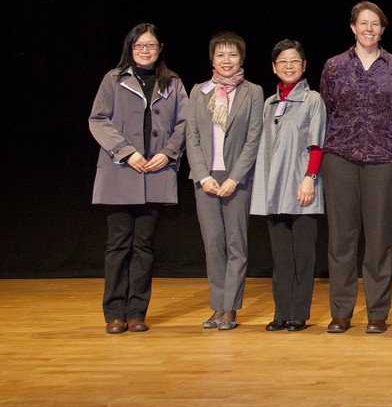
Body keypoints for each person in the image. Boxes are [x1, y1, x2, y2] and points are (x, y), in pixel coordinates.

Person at [89, 23, 187, 334]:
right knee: (118, 244)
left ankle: (137, 312)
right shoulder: (114, 79)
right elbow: (98, 119)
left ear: (160, 49)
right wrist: (126, 151)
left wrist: (169, 152)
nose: (145, 50)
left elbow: (185, 123)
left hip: (155, 172)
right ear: (130, 49)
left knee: (144, 246)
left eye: (151, 45)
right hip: (122, 171)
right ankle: (115, 312)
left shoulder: (172, 82)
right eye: (138, 46)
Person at [319, 1, 392, 334]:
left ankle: (376, 313)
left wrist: (377, 136)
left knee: (380, 239)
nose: (369, 29)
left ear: (382, 29)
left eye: (375, 24)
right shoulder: (334, 66)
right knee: (341, 239)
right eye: (363, 23)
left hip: (384, 160)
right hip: (340, 158)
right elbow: (327, 108)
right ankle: (341, 312)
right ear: (353, 27)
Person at [185, 31, 264, 331]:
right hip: (205, 178)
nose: (227, 60)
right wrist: (203, 176)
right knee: (213, 244)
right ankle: (217, 306)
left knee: (236, 244)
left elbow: (254, 137)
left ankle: (231, 307)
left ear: (241, 58)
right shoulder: (198, 91)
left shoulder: (252, 92)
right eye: (221, 55)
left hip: (237, 179)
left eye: (232, 54)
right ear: (212, 59)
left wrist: (235, 177)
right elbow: (191, 137)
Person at [250, 39, 327, 332]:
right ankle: (281, 312)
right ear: (274, 67)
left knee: (303, 256)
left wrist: (309, 177)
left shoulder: (312, 100)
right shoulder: (270, 104)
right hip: (273, 189)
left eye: (295, 61)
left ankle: (298, 313)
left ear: (304, 65)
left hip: (301, 187)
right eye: (283, 62)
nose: (289, 66)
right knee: (281, 257)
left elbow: (317, 143)